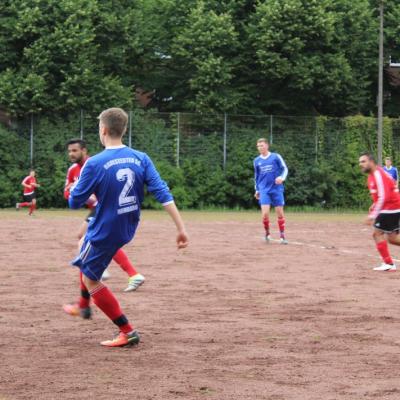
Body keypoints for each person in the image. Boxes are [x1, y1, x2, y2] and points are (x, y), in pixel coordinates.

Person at [68, 107, 189, 347]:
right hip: (128, 225)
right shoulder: (140, 157)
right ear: (123, 129)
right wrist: (181, 228)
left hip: (105, 228)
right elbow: (162, 192)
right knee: (84, 257)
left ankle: (127, 330)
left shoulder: (94, 163)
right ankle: (83, 307)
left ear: (103, 130)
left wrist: (75, 188)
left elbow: (75, 201)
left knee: (91, 279)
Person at [62, 138, 145, 300]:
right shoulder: (73, 170)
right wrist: (75, 192)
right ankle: (132, 274)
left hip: (106, 208)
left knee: (89, 239)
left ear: (84, 150)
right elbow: (67, 193)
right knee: (88, 238)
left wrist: (85, 194)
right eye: (69, 151)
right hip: (96, 208)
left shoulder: (96, 164)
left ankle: (99, 272)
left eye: (75, 151)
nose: (71, 154)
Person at [359, 152, 400, 271]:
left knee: (377, 234)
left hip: (390, 208)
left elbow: (384, 196)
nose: (360, 164)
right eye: (360, 162)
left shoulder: (377, 174)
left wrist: (372, 216)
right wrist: (374, 203)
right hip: (392, 208)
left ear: (371, 162)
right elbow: (383, 193)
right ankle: (389, 264)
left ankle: (389, 264)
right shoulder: (373, 175)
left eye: (363, 161)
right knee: (392, 238)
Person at [254, 138, 288, 244]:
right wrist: (257, 190)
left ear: (267, 146)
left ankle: (282, 236)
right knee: (265, 214)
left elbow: (285, 169)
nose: (260, 148)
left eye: (262, 146)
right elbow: (256, 176)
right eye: (258, 146)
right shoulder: (256, 161)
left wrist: (282, 178)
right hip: (264, 190)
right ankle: (267, 234)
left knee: (280, 214)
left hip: (276, 189)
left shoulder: (275, 157)